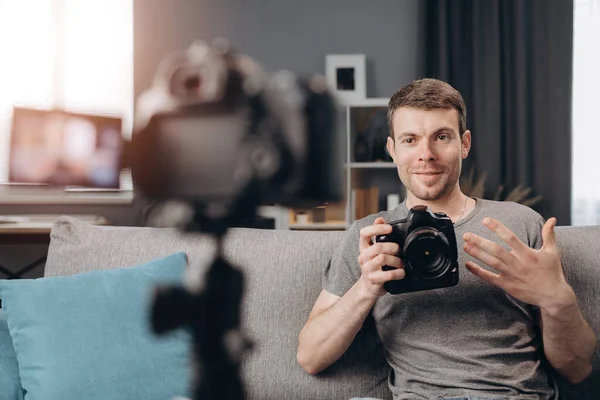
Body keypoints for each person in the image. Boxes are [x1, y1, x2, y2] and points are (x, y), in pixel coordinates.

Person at [296, 78, 596, 400]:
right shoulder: (371, 236)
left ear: (464, 144)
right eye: (410, 140)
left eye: (441, 137)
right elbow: (311, 358)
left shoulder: (519, 224)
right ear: (392, 150)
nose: (426, 154)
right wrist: (366, 289)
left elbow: (577, 370)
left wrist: (556, 299)